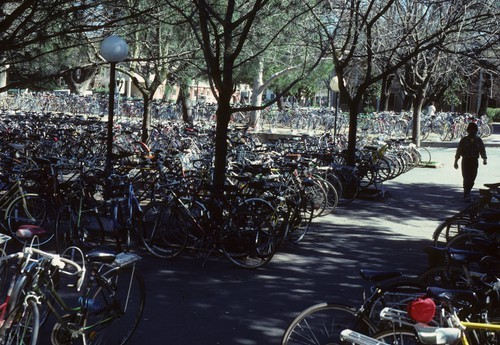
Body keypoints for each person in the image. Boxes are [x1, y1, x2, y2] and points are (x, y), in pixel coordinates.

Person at [454, 122, 487, 200]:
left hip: (474, 161)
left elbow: (482, 150)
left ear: (476, 131)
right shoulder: (463, 140)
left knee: (472, 179)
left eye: (474, 130)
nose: (472, 132)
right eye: (470, 130)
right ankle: (467, 193)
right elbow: (459, 151)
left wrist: (484, 159)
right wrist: (456, 162)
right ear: (468, 131)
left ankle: (468, 191)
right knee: (466, 178)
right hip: (465, 161)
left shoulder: (479, 140)